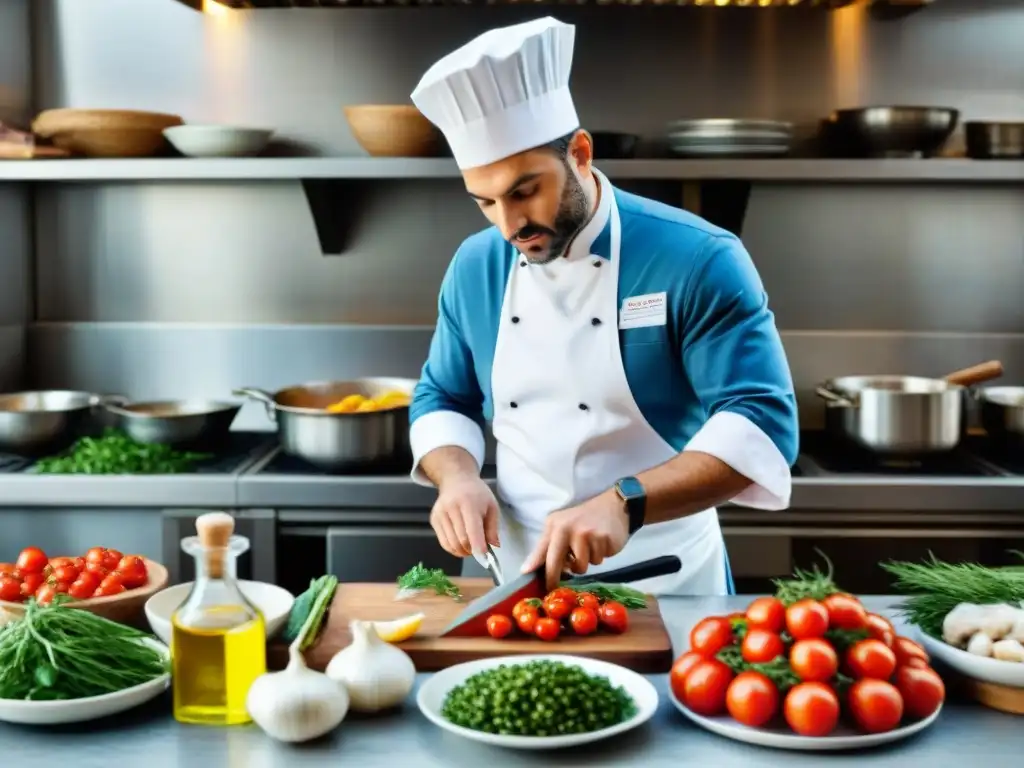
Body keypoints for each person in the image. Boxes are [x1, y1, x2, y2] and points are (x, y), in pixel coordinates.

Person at [407, 17, 799, 596]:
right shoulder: (475, 265)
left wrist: (626, 502)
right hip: (511, 573)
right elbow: (442, 394)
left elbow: (762, 422)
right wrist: (458, 477)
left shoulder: (697, 258)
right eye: (485, 202)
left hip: (663, 573)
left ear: (581, 153)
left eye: (524, 191)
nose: (509, 225)